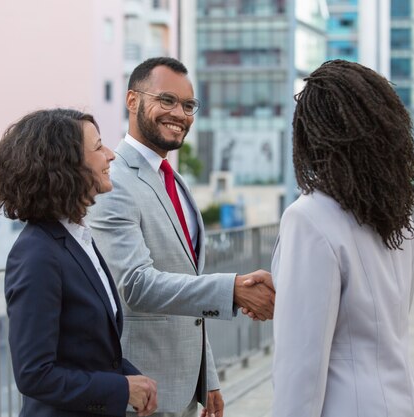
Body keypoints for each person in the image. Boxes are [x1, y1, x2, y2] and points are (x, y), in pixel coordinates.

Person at [89, 57, 275, 417]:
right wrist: (232, 289)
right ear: (132, 101)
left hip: (185, 390)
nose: (180, 113)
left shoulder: (174, 180)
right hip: (141, 394)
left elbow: (186, 286)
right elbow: (135, 285)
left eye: (188, 105)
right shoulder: (114, 183)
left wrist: (209, 376)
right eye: (167, 100)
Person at [271, 60, 414, 416]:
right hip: (401, 402)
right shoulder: (400, 216)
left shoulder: (308, 218)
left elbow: (299, 371)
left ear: (313, 134)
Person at [0, 109, 158, 417]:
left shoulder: (77, 238)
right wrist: (121, 390)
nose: (110, 156)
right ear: (66, 165)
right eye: (98, 147)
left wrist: (133, 379)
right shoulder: (37, 255)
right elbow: (34, 374)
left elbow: (88, 351)